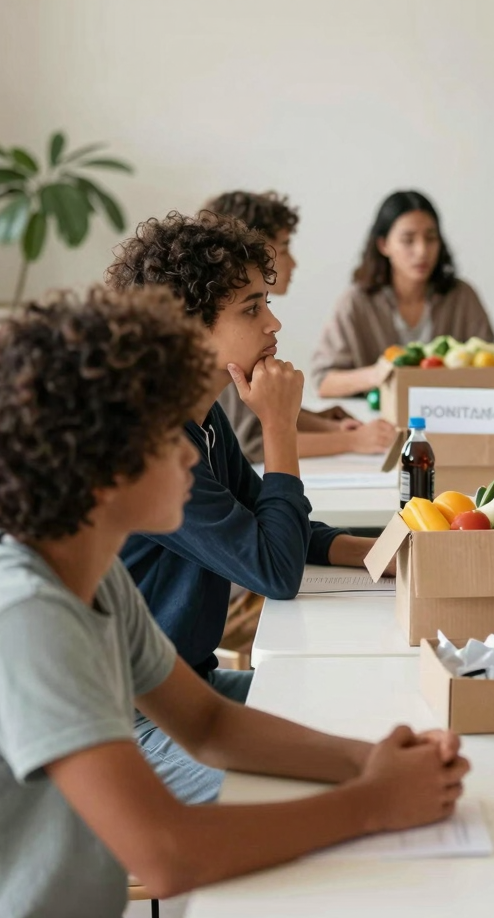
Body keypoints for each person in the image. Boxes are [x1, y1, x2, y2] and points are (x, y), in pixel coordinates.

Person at [0, 287, 469, 918]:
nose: (191, 449)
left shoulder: (98, 578)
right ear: (97, 462)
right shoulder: (28, 613)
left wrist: (371, 760)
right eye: (163, 432)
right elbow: (166, 856)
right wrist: (373, 804)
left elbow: (211, 725)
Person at [106, 211, 381, 804]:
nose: (274, 321)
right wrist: (279, 427)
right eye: (251, 308)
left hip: (191, 689)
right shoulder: (156, 445)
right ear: (186, 329)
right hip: (133, 726)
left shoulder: (200, 419)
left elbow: (272, 517)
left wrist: (384, 551)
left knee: (364, 709)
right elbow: (273, 570)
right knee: (296, 794)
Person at [206, 190, 397, 461]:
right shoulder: (232, 342)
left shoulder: (246, 330)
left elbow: (262, 413)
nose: (293, 262)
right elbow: (252, 440)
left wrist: (322, 423)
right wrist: (351, 440)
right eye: (284, 248)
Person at [311, 190, 494, 397]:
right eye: (408, 240)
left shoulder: (462, 297)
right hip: (377, 423)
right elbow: (323, 382)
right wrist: (377, 374)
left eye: (431, 238)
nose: (422, 251)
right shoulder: (356, 302)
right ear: (384, 245)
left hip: (451, 421)